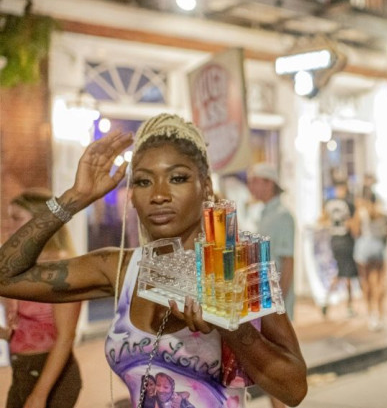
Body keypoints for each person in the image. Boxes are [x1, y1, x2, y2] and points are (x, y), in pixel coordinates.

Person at [0, 114, 307, 407]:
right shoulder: (120, 269)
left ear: (206, 187)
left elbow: (293, 390)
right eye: (144, 182)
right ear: (131, 196)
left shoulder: (236, 270)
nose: (159, 194)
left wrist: (230, 326)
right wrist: (75, 197)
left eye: (177, 178)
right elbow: (6, 277)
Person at [1, 188, 82, 408]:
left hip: (50, 374)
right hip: (22, 370)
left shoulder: (60, 265)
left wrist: (39, 395)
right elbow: (27, 328)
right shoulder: (21, 264)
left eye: (17, 218)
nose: (9, 225)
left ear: (40, 221)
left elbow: (66, 336)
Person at [246, 162, 297, 408]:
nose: (251, 186)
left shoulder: (283, 216)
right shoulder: (264, 214)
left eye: (256, 181)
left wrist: (280, 305)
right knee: (267, 369)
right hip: (263, 301)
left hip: (275, 304)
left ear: (269, 184)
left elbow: (288, 262)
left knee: (273, 368)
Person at [321, 180, 359, 318]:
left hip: (334, 240)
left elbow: (323, 219)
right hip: (345, 240)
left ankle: (327, 301)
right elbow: (353, 225)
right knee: (346, 274)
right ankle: (348, 305)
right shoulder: (348, 203)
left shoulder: (329, 202)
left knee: (341, 273)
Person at [353, 192, 387, 330]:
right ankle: (380, 315)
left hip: (364, 247)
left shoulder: (361, 212)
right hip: (378, 247)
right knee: (379, 282)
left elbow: (355, 230)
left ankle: (371, 315)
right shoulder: (382, 212)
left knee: (366, 282)